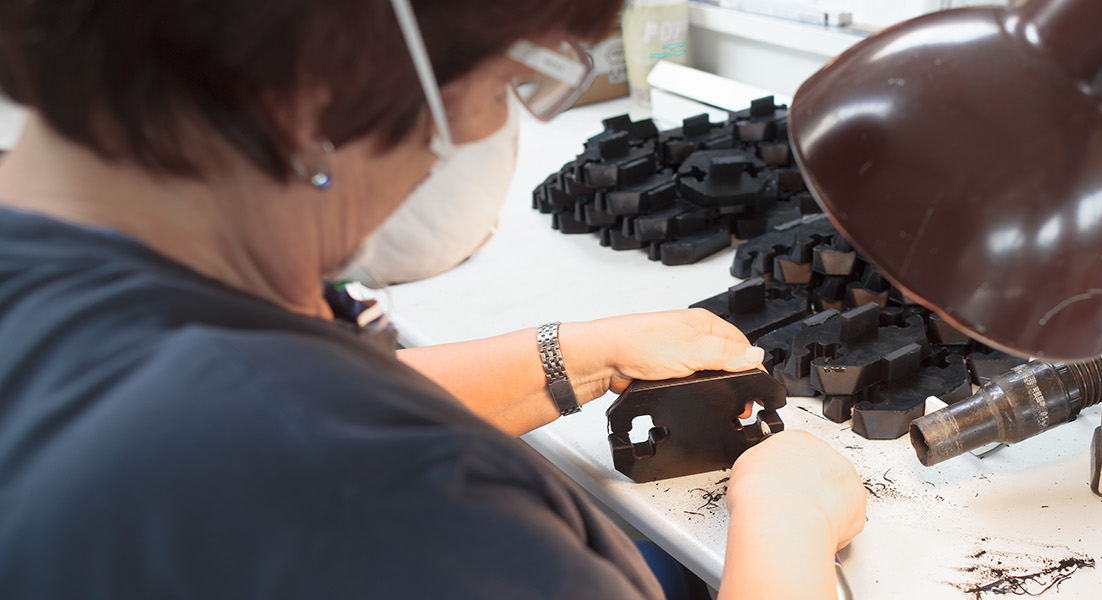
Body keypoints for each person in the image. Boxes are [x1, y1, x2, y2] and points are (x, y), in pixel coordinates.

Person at [0, 1, 866, 598]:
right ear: (313, 96)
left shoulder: (51, 252)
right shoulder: (374, 499)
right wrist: (786, 524)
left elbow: (297, 398)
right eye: (493, 91)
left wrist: (584, 353)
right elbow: (314, 442)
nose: (491, 130)